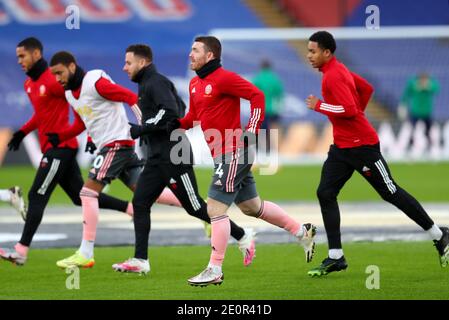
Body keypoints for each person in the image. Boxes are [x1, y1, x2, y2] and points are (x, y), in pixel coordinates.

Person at [168, 36, 317, 287]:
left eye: (195, 50)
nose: (190, 55)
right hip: (224, 154)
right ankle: (302, 232)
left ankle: (214, 268)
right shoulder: (195, 84)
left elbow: (257, 96)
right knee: (251, 207)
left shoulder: (224, 78)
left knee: (214, 209)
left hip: (235, 150)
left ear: (210, 55)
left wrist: (252, 130)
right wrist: (172, 126)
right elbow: (194, 116)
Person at [305, 31, 449, 277]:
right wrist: (352, 120)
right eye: (308, 50)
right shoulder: (337, 70)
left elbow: (348, 109)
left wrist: (320, 106)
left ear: (327, 52)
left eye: (313, 51)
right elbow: (366, 89)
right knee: (325, 193)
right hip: (342, 147)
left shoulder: (333, 76)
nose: (309, 55)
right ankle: (336, 257)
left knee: (390, 192)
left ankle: (440, 235)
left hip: (363, 147)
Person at [112, 44, 256, 275]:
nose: (124, 67)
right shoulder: (148, 84)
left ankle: (241, 234)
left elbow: (170, 110)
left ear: (143, 62)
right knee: (140, 203)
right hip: (157, 158)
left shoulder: (155, 82)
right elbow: (178, 108)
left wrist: (144, 128)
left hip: (174, 156)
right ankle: (141, 260)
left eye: (128, 63)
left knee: (195, 207)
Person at [0, 37, 132, 266]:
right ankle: (131, 209)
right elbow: (41, 115)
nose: (19, 61)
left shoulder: (53, 81)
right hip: (54, 148)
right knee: (79, 197)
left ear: (36, 54)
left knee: (36, 195)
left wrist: (89, 134)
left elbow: (83, 105)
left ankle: (21, 250)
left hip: (60, 149)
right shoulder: (30, 85)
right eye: (17, 56)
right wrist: (23, 131)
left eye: (23, 56)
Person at [400, 72, 440, 147]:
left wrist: (428, 86)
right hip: (416, 111)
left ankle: (429, 142)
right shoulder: (414, 85)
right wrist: (403, 104)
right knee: (412, 128)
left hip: (426, 112)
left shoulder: (429, 86)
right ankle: (410, 142)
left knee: (428, 129)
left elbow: (437, 88)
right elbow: (406, 92)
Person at [252, 59, 284, 152]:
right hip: (273, 109)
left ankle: (262, 150)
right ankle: (274, 149)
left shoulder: (258, 78)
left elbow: (253, 94)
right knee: (273, 129)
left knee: (261, 131)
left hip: (261, 109)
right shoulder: (274, 79)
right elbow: (279, 94)